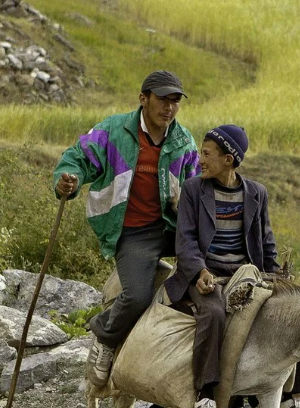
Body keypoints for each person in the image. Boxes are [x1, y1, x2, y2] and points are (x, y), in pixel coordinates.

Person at [163, 124, 300, 408]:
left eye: (207, 154)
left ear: (228, 159)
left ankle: (291, 398)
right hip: (206, 273)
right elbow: (184, 241)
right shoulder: (194, 190)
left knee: (299, 307)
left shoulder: (256, 193)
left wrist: (276, 276)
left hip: (246, 274)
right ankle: (206, 395)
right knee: (212, 312)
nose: (200, 159)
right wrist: (199, 271)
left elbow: (266, 240)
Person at [53, 70, 200, 386]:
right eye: (163, 99)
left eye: (175, 101)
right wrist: (68, 179)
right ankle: (106, 337)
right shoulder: (112, 131)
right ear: (143, 98)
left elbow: (198, 185)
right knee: (136, 296)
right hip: (135, 231)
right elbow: (76, 158)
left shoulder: (184, 140)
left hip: (175, 228)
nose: (169, 108)